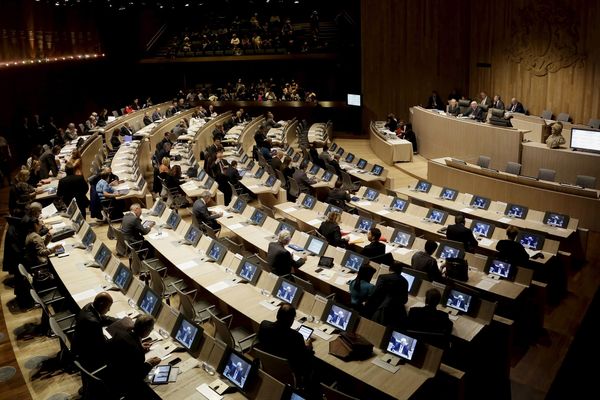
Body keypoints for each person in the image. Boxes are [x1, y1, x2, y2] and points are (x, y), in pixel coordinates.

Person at [106, 315, 161, 399]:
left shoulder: (121, 333)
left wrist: (139, 345)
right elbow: (137, 375)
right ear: (146, 330)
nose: (151, 330)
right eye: (151, 329)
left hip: (110, 374)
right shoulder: (136, 351)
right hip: (122, 384)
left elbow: (125, 351)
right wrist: (149, 364)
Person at [256, 304, 314, 383]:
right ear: (291, 320)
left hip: (268, 366)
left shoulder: (264, 325)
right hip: (288, 373)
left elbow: (260, 339)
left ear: (277, 315)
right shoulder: (296, 337)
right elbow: (304, 357)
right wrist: (308, 346)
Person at [72, 293, 117, 374]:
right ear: (101, 305)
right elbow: (102, 345)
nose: (109, 310)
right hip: (87, 354)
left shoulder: (89, 306)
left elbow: (102, 318)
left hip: (78, 342)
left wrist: (120, 321)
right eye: (108, 307)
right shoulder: (93, 323)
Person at [363, 263, 409, 330]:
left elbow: (375, 293)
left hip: (382, 309)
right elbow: (405, 300)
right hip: (396, 313)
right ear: (400, 271)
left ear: (389, 269)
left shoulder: (383, 277)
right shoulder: (405, 281)